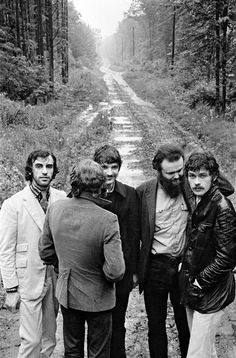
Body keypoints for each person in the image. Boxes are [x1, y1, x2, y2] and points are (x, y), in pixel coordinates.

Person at [39, 159, 125, 358]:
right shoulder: (108, 219)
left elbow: (45, 252)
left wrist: (65, 268)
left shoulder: (55, 209)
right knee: (99, 353)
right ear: (100, 187)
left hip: (68, 294)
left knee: (72, 350)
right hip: (99, 299)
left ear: (73, 184)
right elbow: (116, 270)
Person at [0, 149, 67, 358]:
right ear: (30, 170)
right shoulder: (14, 204)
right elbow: (6, 250)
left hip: (54, 276)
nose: (45, 171)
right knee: (31, 340)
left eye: (49, 167)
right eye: (39, 166)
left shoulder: (62, 198)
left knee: (49, 339)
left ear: (54, 170)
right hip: (28, 277)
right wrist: (10, 289)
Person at [179, 150, 236, 358]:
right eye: (192, 176)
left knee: (196, 354)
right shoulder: (197, 198)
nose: (196, 182)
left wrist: (200, 282)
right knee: (205, 350)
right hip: (194, 287)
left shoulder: (222, 207)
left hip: (211, 291)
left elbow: (227, 258)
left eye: (202, 176)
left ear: (214, 177)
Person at [137, 143, 191, 358]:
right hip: (155, 268)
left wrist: (197, 163)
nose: (177, 177)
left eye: (180, 170)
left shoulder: (191, 185)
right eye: (171, 173)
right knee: (156, 324)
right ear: (158, 170)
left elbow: (226, 188)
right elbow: (133, 234)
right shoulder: (144, 192)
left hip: (183, 266)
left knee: (185, 322)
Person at [93, 144, 140, 358]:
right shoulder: (84, 195)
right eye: (104, 167)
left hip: (121, 274)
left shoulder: (130, 195)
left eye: (114, 167)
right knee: (97, 328)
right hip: (93, 275)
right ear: (96, 168)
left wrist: (134, 272)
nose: (110, 172)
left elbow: (134, 236)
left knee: (118, 323)